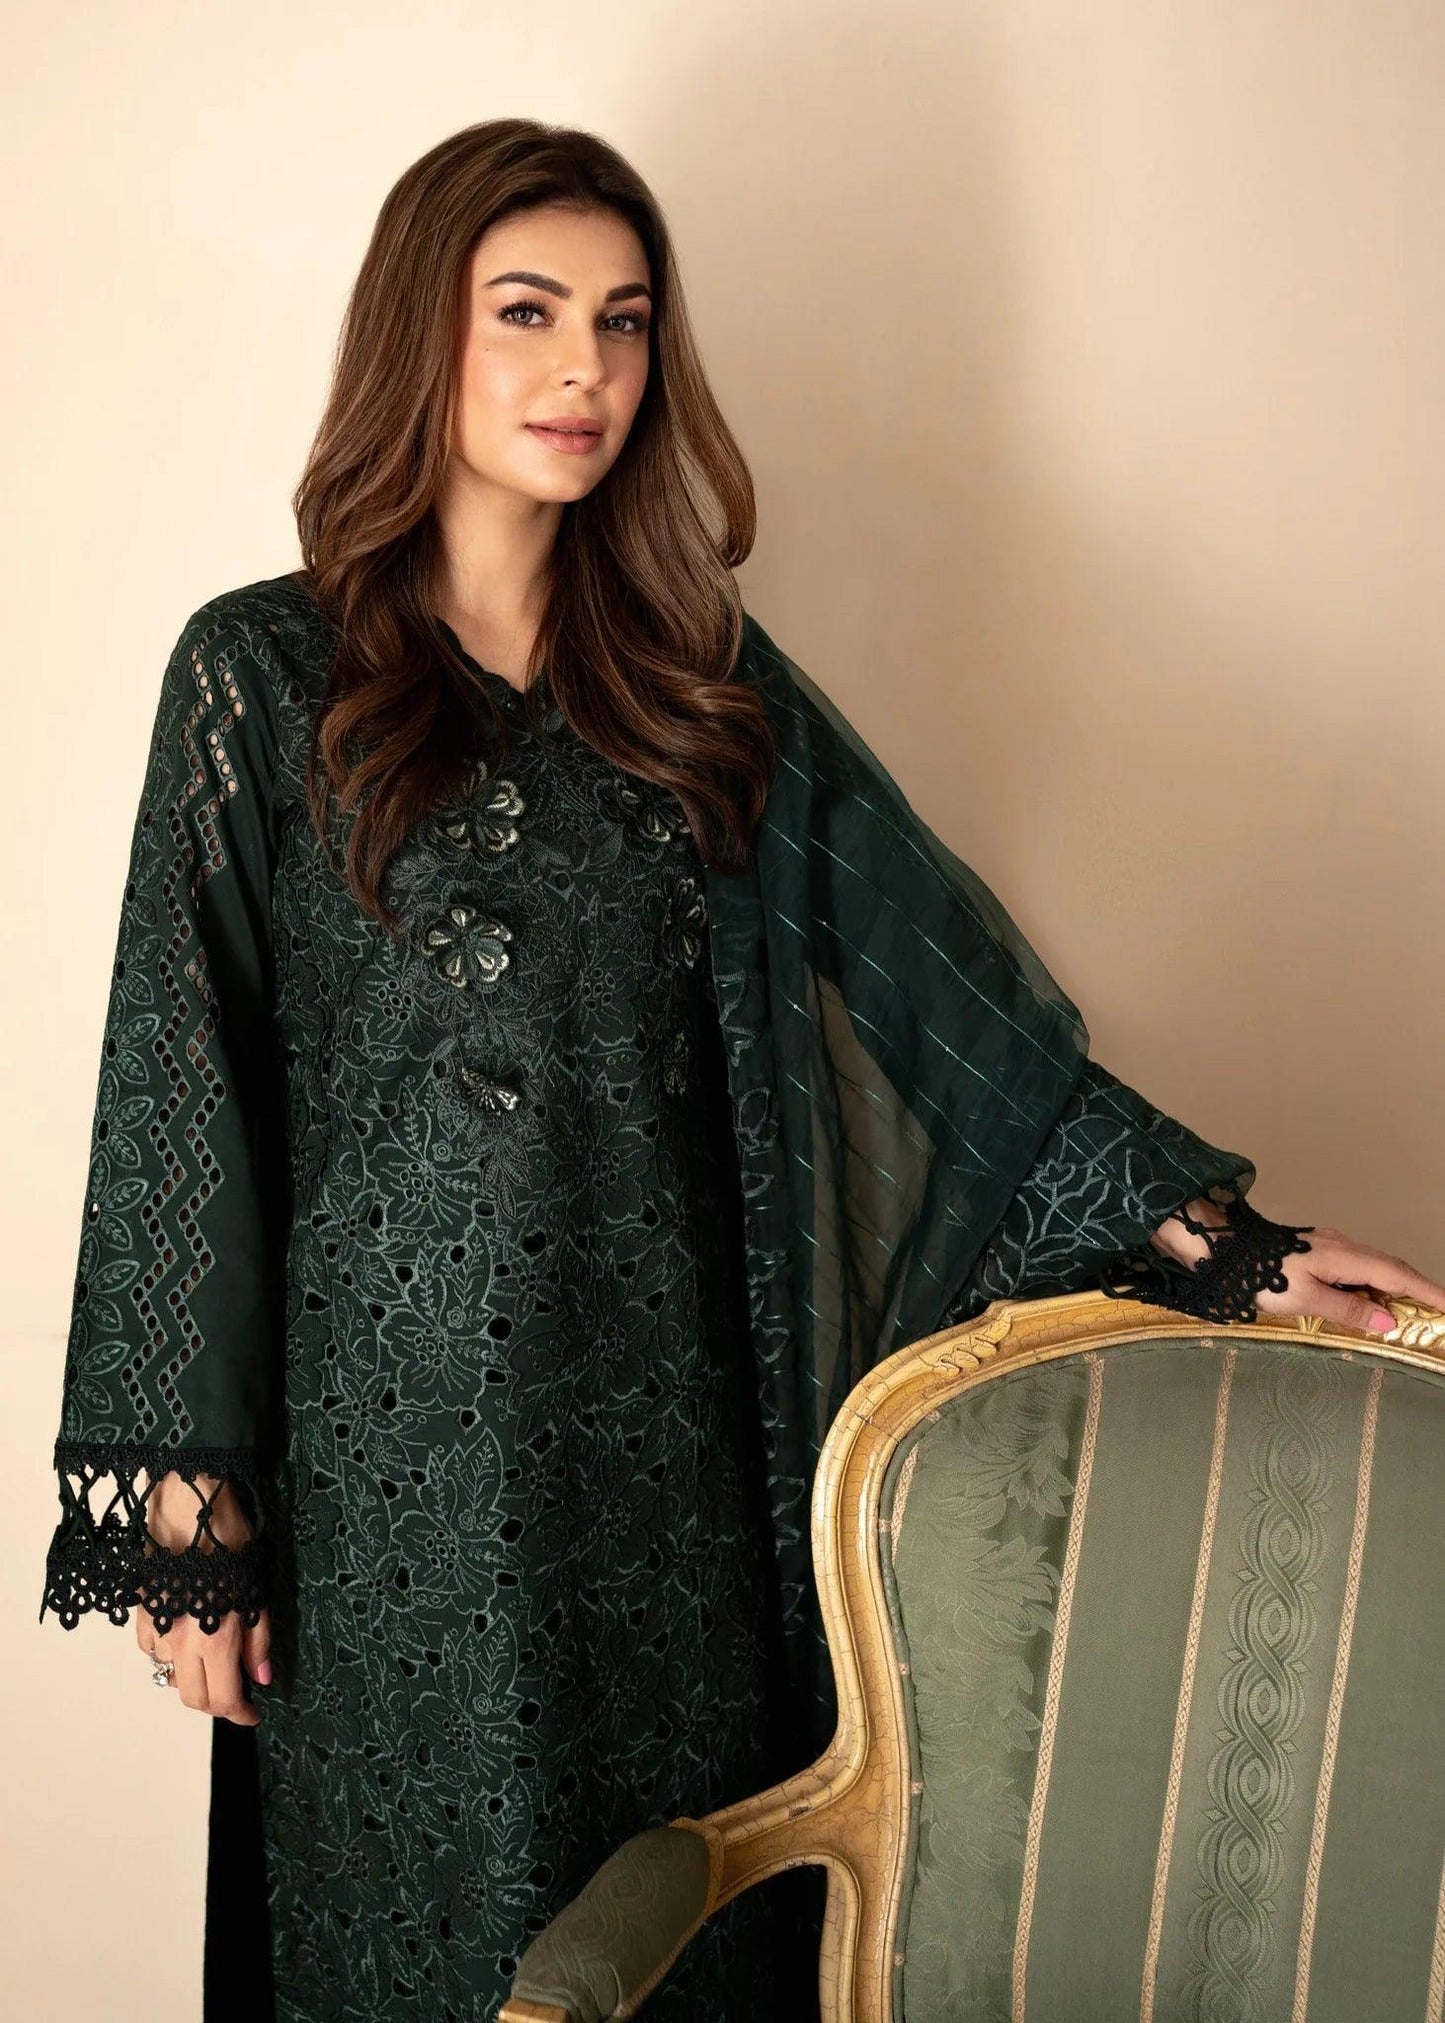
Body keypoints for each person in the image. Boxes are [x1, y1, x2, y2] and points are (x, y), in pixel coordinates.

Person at [38, 118, 1445, 2023]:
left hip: (673, 1469)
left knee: (669, 1933)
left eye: (621, 324)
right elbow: (180, 1089)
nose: (583, 371)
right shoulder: (265, 675)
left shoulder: (693, 683)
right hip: (385, 1481)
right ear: (417, 335)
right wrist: (191, 1512)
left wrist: (1227, 1247)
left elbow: (951, 1017)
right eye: (526, 312)